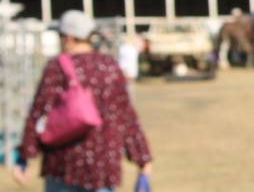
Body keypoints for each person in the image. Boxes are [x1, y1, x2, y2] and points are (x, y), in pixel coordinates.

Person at [12, 10, 152, 192]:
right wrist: (142, 157)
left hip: (62, 166)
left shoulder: (56, 67)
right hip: (103, 168)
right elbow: (126, 115)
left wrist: (25, 156)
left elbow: (38, 112)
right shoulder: (109, 67)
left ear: (69, 38)